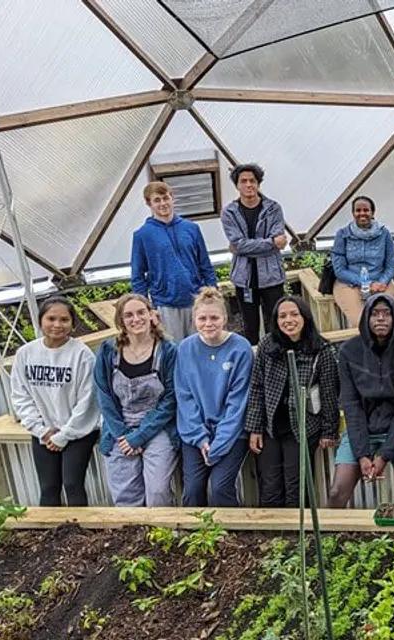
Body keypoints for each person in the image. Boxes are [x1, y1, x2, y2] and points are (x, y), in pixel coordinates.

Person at [329, 294, 394, 507]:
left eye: (386, 313)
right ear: (366, 318)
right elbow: (351, 405)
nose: (380, 319)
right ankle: (332, 538)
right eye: (374, 313)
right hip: (363, 427)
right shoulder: (348, 352)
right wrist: (363, 454)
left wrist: (384, 455)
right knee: (337, 492)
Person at [246, 296, 341, 508]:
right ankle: (273, 536)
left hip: (302, 427)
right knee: (269, 485)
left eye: (294, 314)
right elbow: (257, 387)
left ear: (305, 317)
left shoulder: (321, 349)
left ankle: (297, 536)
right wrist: (254, 428)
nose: (288, 320)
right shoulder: (267, 345)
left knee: (296, 486)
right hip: (271, 426)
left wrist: (329, 431)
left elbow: (328, 392)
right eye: (282, 316)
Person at [11, 297, 100, 507]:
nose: (57, 325)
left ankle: (80, 534)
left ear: (72, 324)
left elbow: (88, 401)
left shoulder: (82, 355)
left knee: (72, 484)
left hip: (78, 431)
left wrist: (64, 434)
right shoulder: (25, 354)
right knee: (48, 487)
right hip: (44, 431)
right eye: (51, 318)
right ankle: (49, 534)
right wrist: (40, 429)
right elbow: (20, 395)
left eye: (64, 319)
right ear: (40, 320)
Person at [93, 294, 179, 507]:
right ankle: (134, 538)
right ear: (121, 321)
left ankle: (164, 535)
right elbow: (104, 396)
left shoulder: (168, 351)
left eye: (141, 312)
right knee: (126, 496)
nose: (136, 319)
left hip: (158, 427)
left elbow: (171, 399)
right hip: (119, 429)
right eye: (128, 315)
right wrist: (123, 435)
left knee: (158, 492)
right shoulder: (108, 351)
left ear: (151, 315)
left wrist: (139, 436)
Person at [175, 287, 253, 507]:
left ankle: (232, 536)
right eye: (202, 318)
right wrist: (200, 438)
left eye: (214, 318)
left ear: (225, 318)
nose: (208, 323)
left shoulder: (240, 348)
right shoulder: (186, 348)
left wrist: (218, 444)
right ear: (194, 320)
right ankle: (197, 537)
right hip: (195, 434)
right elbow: (185, 397)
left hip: (231, 433)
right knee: (192, 490)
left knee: (219, 488)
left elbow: (238, 402)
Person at [130, 181, 217, 340]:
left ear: (172, 198)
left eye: (165, 198)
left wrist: (213, 295)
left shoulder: (191, 228)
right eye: (157, 200)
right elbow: (137, 276)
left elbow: (205, 265)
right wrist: (146, 308)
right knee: (173, 350)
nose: (163, 203)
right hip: (165, 304)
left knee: (200, 346)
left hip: (196, 300)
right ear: (149, 203)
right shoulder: (142, 235)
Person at [221, 163, 287, 346]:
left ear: (258, 183)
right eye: (244, 181)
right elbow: (239, 244)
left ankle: (278, 361)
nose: (249, 184)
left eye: (252, 180)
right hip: (245, 279)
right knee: (250, 327)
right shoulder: (229, 212)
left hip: (271, 276)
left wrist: (244, 246)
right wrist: (271, 243)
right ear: (237, 185)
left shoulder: (273, 208)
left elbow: (242, 246)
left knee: (276, 322)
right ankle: (254, 363)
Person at [330, 196, 394, 327]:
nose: (362, 214)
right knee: (361, 322)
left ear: (372, 212)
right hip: (349, 283)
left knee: (384, 321)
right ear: (353, 213)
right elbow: (339, 269)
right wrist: (365, 283)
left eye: (366, 210)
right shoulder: (343, 234)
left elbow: (391, 264)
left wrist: (382, 282)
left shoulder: (384, 233)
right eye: (358, 210)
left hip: (380, 282)